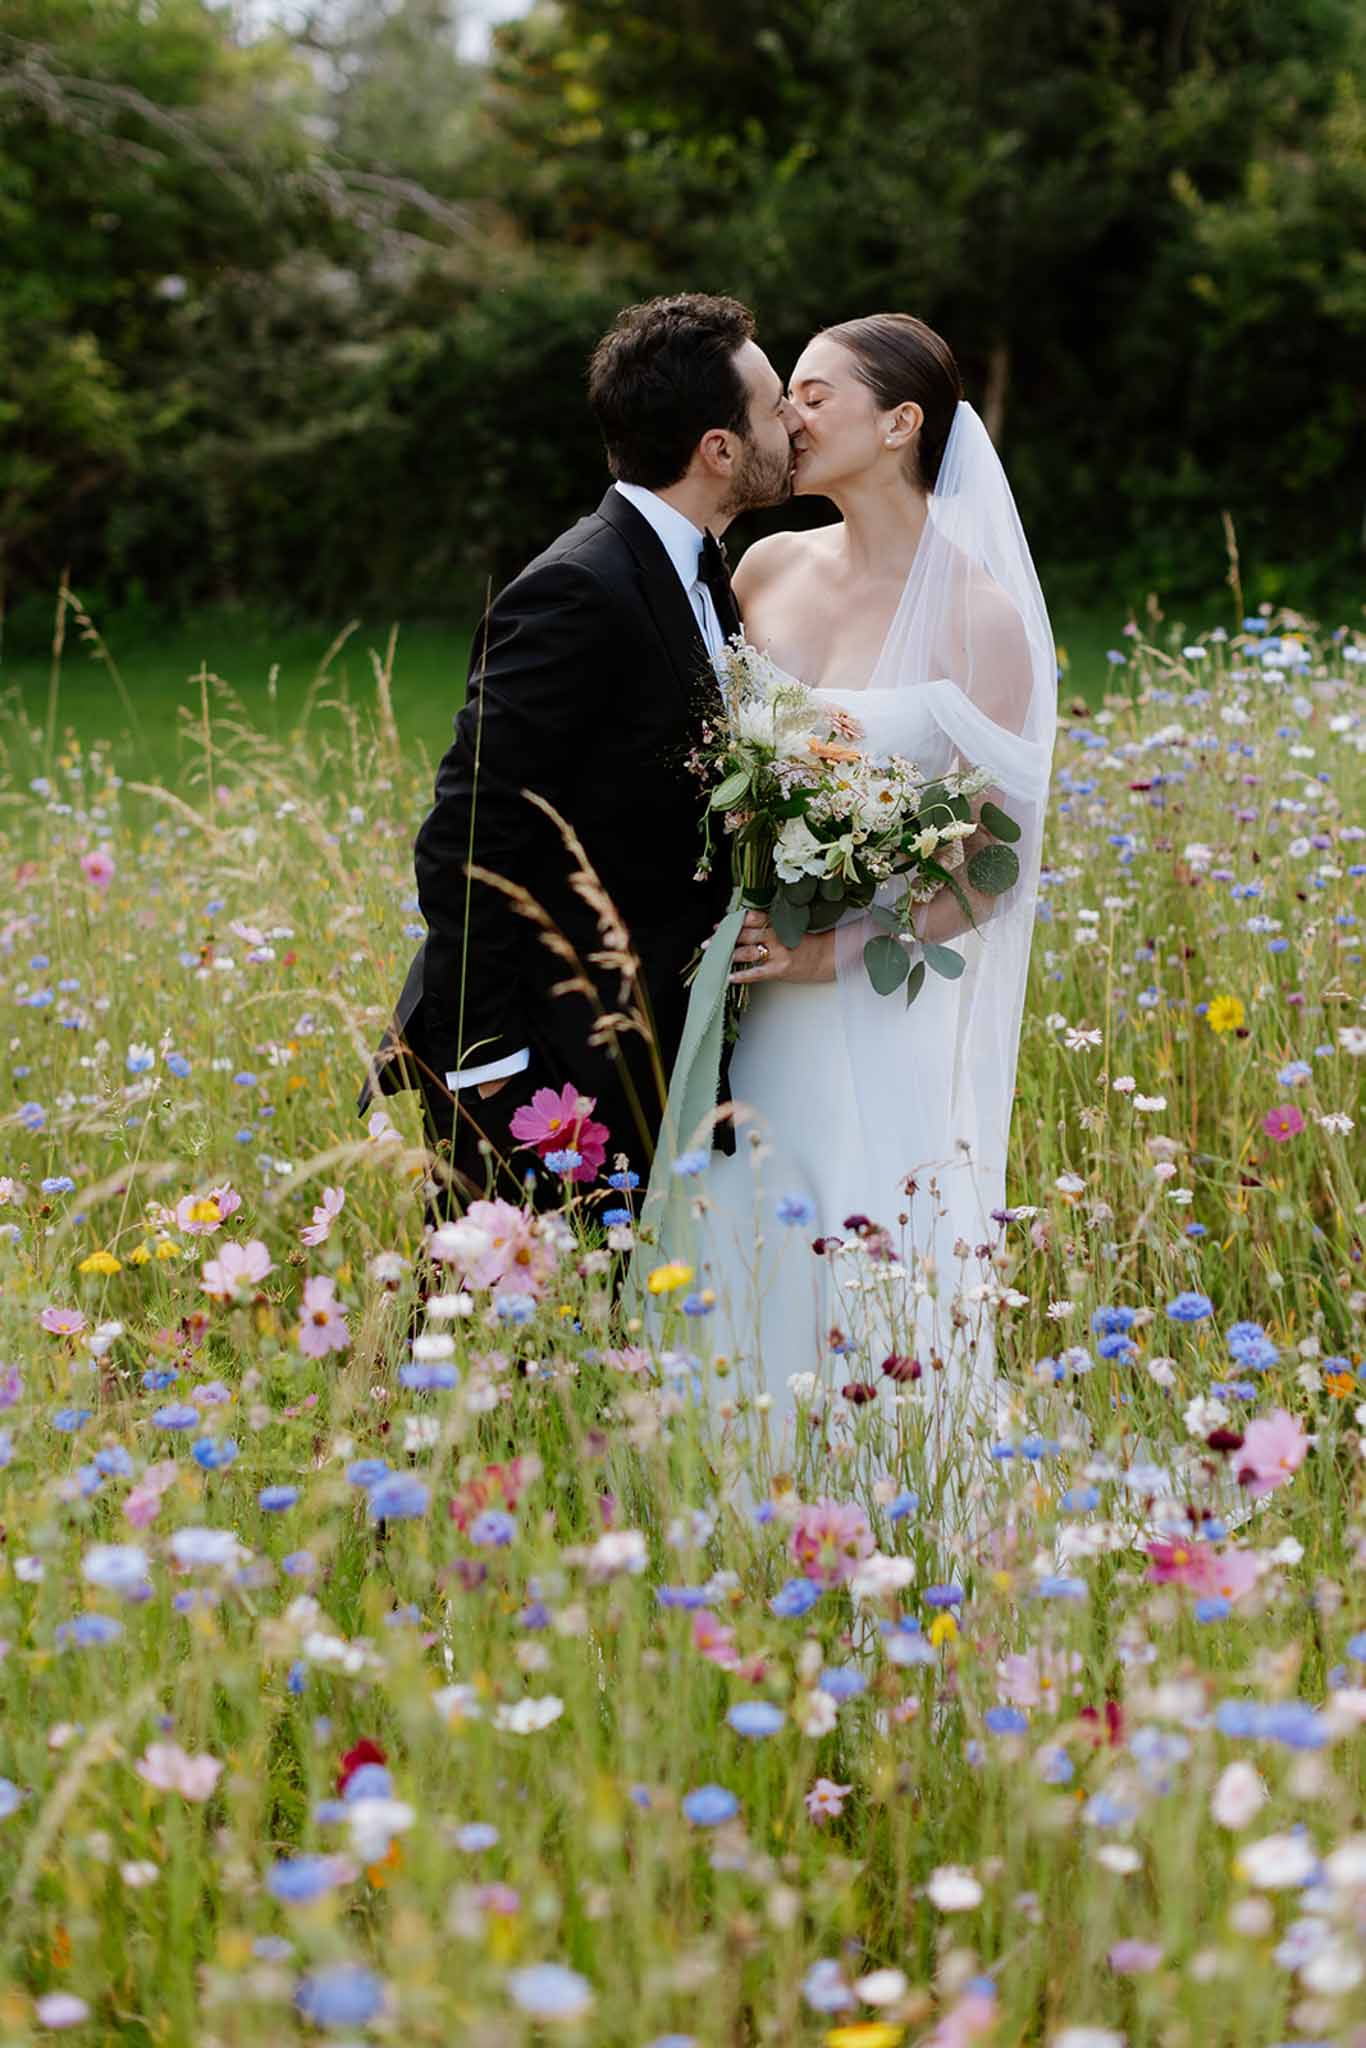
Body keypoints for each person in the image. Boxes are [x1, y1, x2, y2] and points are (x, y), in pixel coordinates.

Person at [697, 314, 1057, 1454]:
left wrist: (832, 948)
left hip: (865, 1001)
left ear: (899, 422)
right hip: (744, 976)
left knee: (861, 1252)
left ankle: (892, 1501)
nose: (786, 416)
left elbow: (991, 868)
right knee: (732, 1244)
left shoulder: (980, 620)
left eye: (811, 393)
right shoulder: (763, 566)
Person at [359, 293, 798, 1205]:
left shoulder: (699, 570)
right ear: (719, 450)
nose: (793, 419)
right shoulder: (577, 589)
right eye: (774, 404)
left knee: (593, 1334)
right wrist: (489, 1064)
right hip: (543, 1063)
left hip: (640, 1037)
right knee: (497, 1332)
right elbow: (468, 837)